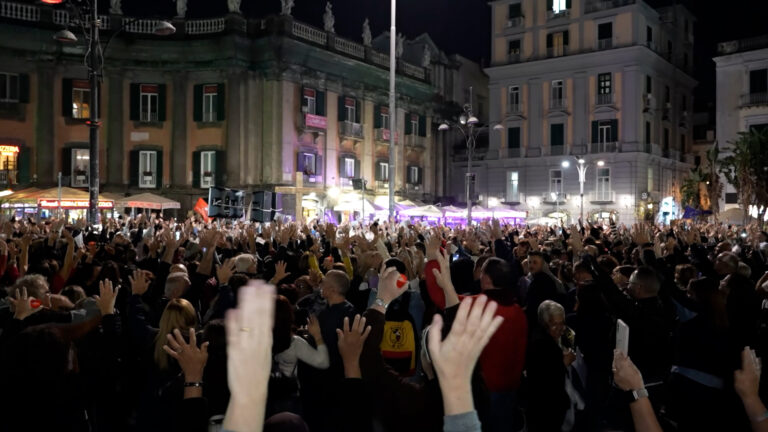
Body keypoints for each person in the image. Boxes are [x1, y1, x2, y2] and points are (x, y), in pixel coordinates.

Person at [525, 300, 572, 431]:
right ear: (544, 324)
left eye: (562, 323)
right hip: (545, 410)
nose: (560, 329)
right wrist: (564, 363)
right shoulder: (541, 344)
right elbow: (545, 380)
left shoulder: (544, 339)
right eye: (554, 324)